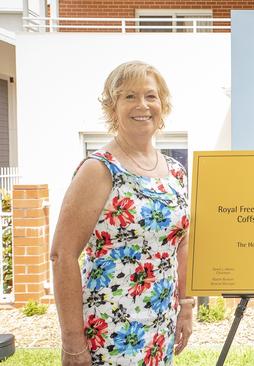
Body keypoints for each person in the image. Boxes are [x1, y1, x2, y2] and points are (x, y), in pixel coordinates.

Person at [51, 61, 193, 365]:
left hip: (160, 325)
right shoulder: (99, 169)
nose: (142, 105)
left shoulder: (176, 173)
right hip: (109, 330)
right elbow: (62, 255)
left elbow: (182, 243)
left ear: (162, 104)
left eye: (151, 96)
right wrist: (73, 343)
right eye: (129, 96)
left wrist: (187, 305)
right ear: (113, 107)